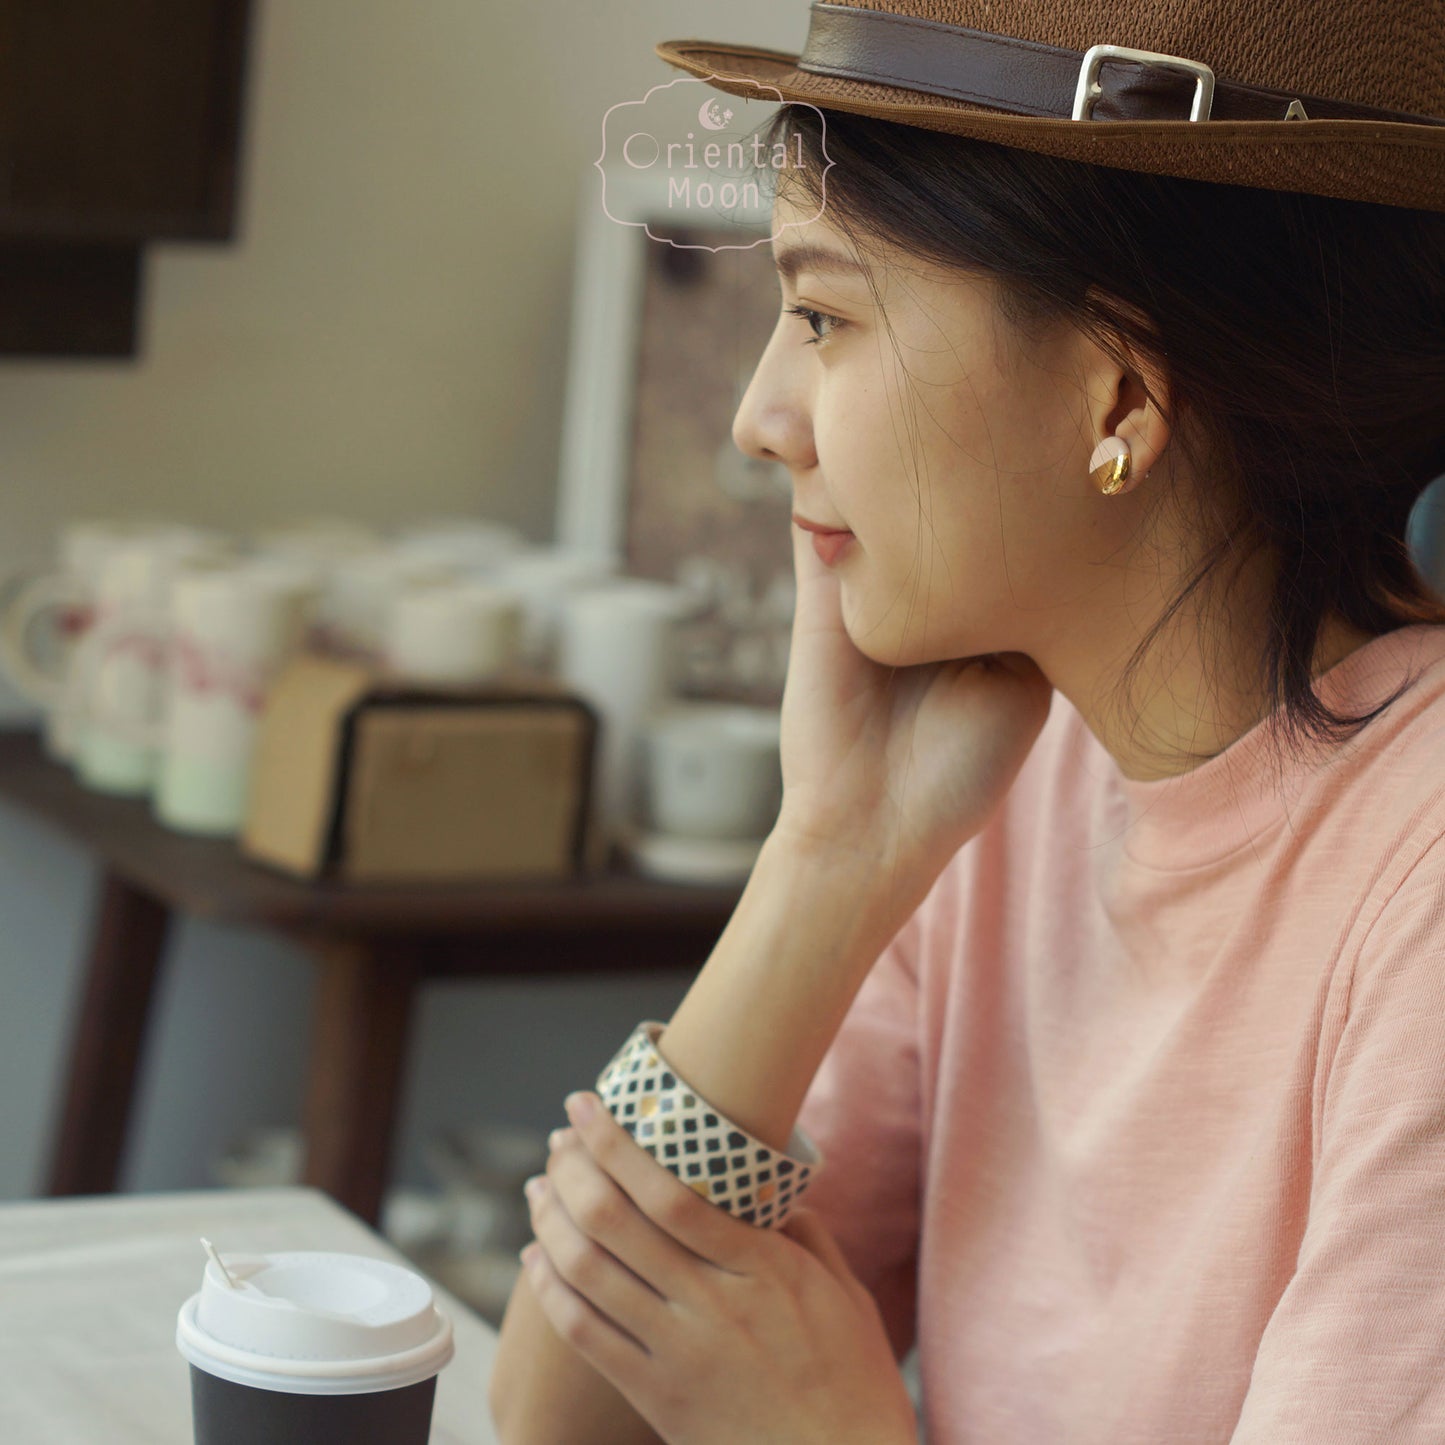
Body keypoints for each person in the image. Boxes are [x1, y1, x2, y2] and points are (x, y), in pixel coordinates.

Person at [488, 2, 1445, 1441]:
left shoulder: (1418, 881)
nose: (760, 414)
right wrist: (830, 850)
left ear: (1115, 392)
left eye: (821, 315)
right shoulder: (1025, 767)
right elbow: (566, 1417)